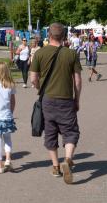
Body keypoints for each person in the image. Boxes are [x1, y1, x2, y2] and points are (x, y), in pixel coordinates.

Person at [29, 23, 82, 184]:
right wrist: (77, 99)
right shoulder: (71, 54)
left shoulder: (39, 53)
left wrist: (39, 88)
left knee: (50, 132)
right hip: (66, 99)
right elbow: (78, 81)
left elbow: (33, 79)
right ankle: (68, 159)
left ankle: (56, 166)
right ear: (64, 36)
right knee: (71, 131)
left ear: (49, 36)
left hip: (47, 100)